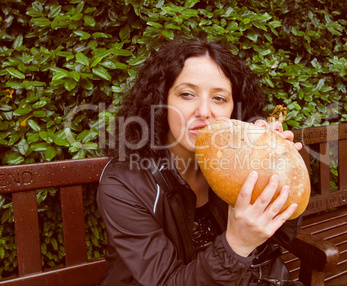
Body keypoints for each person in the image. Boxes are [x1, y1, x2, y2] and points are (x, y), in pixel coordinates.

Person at [97, 38, 304, 285]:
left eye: (219, 98)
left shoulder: (235, 161)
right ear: (161, 102)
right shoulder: (123, 183)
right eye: (187, 94)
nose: (204, 111)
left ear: (233, 110)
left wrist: (278, 169)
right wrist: (236, 244)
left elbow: (284, 233)